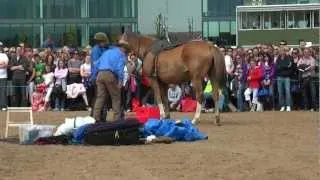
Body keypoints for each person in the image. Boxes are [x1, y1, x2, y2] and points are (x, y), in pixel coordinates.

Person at [92, 41, 130, 122]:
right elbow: (119, 68)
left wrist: (94, 76)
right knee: (116, 97)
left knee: (100, 97)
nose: (126, 53)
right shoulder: (121, 55)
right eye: (126, 51)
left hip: (100, 74)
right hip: (110, 74)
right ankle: (117, 119)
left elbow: (96, 63)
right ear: (123, 49)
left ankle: (95, 118)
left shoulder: (107, 52)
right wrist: (120, 80)